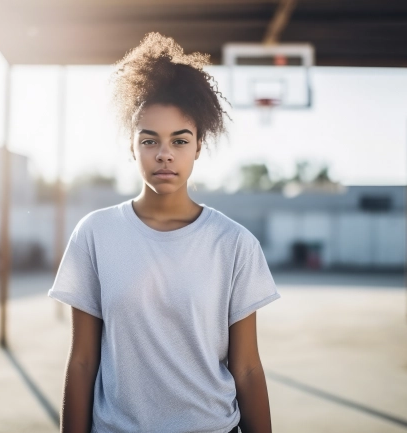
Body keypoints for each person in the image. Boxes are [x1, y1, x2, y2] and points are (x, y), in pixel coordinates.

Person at [48, 32, 281, 433]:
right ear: (132, 146)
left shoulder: (234, 244)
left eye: (180, 140)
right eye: (150, 140)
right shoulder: (95, 234)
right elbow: (83, 360)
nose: (164, 154)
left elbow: (246, 368)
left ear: (199, 146)